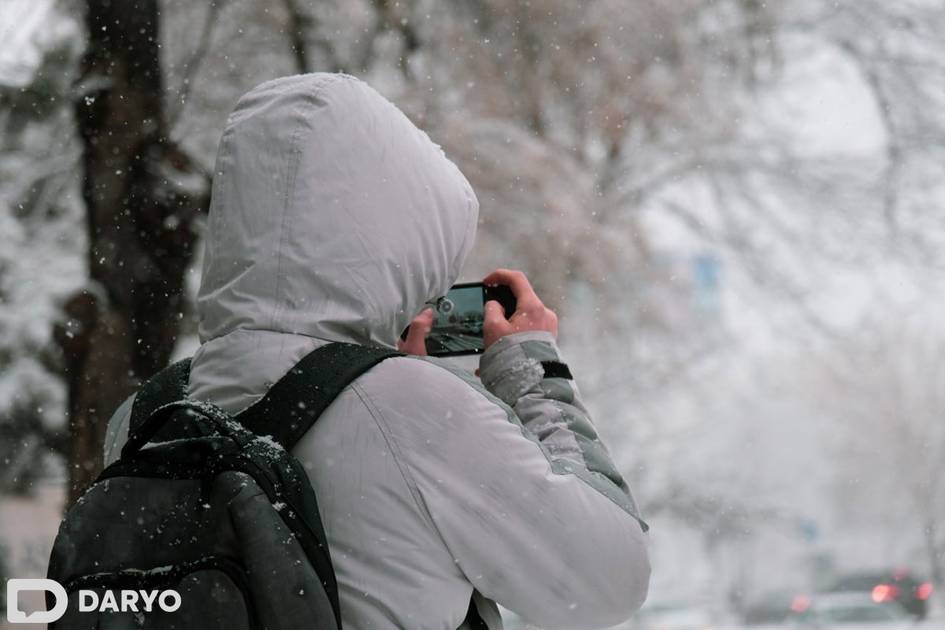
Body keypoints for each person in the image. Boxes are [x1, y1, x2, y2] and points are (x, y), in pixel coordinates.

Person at [102, 73, 650, 630]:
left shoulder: (142, 417)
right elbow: (611, 580)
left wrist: (375, 378)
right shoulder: (414, 411)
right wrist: (535, 372)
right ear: (399, 247)